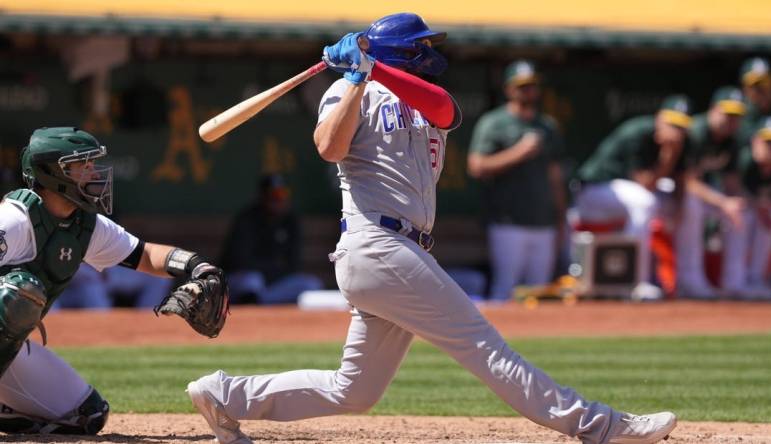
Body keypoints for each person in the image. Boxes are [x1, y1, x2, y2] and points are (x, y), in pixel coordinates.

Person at [186, 13, 677, 444]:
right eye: (420, 47)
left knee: (354, 391)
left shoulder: (424, 100)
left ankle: (225, 396)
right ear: (400, 52)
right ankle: (599, 425)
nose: (429, 54)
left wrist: (372, 67)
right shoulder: (346, 89)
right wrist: (358, 78)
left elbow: (445, 110)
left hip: (397, 251)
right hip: (376, 242)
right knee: (486, 348)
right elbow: (329, 148)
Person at [0, 127, 226, 434]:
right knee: (17, 294)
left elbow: (144, 255)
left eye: (92, 162)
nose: (92, 171)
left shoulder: (83, 224)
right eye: (81, 164)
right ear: (52, 172)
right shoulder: (14, 219)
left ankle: (8, 409)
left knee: (86, 416)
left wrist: (197, 266)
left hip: (9, 353)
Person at [575, 95, 694, 300]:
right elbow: (645, 184)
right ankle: (635, 280)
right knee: (644, 201)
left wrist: (679, 210)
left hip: (627, 197)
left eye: (681, 126)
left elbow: (681, 181)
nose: (676, 131)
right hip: (593, 193)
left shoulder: (682, 141)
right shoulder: (637, 133)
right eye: (672, 124)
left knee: (691, 205)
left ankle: (689, 280)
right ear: (659, 119)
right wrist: (668, 155)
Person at [467, 60, 566, 301]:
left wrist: (561, 216)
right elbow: (476, 166)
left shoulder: (547, 126)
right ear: (509, 89)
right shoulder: (494, 122)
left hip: (543, 221)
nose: (527, 91)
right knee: (506, 290)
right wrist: (519, 152)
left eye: (531, 85)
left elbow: (555, 175)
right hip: (507, 221)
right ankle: (499, 341)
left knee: (540, 292)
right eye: (521, 86)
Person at [674, 87, 748, 298]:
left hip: (705, 194)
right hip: (671, 191)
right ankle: (690, 279)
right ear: (713, 110)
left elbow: (731, 183)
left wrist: (733, 203)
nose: (731, 120)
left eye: (736, 116)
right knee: (692, 204)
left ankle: (735, 283)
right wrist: (724, 202)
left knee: (740, 210)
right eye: (727, 114)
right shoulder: (696, 132)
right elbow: (688, 182)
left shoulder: (731, 140)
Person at [219, 174, 322, 304]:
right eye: (273, 195)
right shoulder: (247, 219)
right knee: (252, 282)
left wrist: (274, 271)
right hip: (246, 279)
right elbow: (240, 262)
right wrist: (274, 268)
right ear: (263, 196)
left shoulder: (290, 221)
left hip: (274, 283)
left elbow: (293, 264)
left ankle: (260, 301)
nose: (278, 199)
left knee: (311, 284)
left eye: (282, 194)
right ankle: (255, 304)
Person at [724, 117, 771, 299]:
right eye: (767, 142)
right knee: (743, 214)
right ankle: (734, 281)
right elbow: (732, 191)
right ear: (755, 142)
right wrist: (760, 205)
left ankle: (757, 280)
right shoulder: (744, 160)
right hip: (737, 212)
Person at [738, 57, 771, 145]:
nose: (762, 90)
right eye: (755, 85)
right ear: (745, 89)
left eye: (766, 82)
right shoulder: (735, 118)